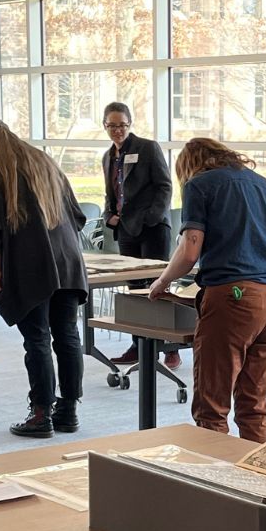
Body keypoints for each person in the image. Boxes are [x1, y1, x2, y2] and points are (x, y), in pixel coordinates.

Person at [143, 138, 266, 443]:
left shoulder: (199, 185)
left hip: (234, 299)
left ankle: (215, 486)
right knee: (254, 406)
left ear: (190, 165)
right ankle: (255, 482)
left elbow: (190, 249)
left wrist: (162, 281)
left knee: (212, 409)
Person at [0, 116, 90, 439]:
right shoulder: (43, 160)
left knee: (36, 337)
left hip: (29, 262)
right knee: (67, 334)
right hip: (67, 260)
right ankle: (68, 410)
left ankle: (40, 415)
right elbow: (78, 216)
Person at [100, 101, 181, 371]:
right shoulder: (108, 156)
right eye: (112, 125)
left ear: (129, 124)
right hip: (126, 230)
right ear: (105, 126)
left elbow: (164, 186)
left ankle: (169, 347)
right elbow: (111, 192)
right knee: (135, 290)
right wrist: (109, 216)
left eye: (122, 125)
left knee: (159, 287)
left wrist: (151, 218)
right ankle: (139, 345)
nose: (117, 130)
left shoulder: (147, 148)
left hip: (153, 228)